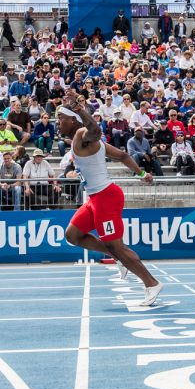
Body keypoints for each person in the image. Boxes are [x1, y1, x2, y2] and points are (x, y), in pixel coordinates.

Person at [57, 90, 163, 306]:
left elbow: (95, 130)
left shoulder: (82, 135)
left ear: (73, 120)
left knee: (117, 247)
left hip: (106, 196)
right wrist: (141, 173)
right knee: (73, 235)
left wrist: (82, 111)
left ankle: (151, 283)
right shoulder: (86, 142)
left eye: (61, 118)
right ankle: (117, 256)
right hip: (95, 198)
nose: (57, 122)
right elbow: (123, 155)